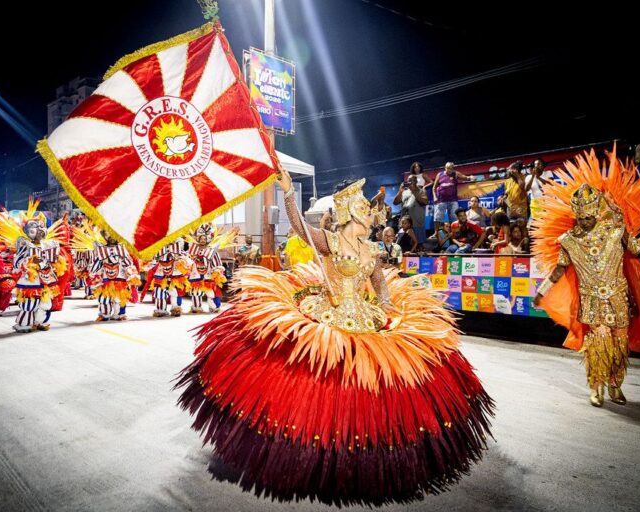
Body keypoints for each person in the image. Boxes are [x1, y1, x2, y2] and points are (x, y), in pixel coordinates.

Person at [176, 169, 493, 504]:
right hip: (328, 310)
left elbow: (381, 286)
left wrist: (387, 307)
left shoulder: (371, 249)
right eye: (365, 209)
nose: (371, 214)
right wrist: (287, 193)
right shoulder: (329, 241)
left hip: (365, 315)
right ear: (351, 214)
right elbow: (299, 228)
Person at [532, 150, 640, 407]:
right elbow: (558, 270)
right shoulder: (569, 240)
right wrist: (542, 291)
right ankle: (596, 387)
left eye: (589, 215)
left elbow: (638, 248)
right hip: (591, 298)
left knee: (620, 341)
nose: (585, 221)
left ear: (597, 211)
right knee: (597, 341)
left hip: (618, 295)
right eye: (581, 217)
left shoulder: (617, 230)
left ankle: (615, 385)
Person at [0, 200, 67, 333]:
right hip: (30, 281)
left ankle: (39, 322)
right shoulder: (24, 245)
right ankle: (24, 324)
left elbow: (55, 262)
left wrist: (55, 262)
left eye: (41, 226)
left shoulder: (49, 245)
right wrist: (30, 262)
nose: (39, 229)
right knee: (29, 305)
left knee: (45, 304)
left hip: (46, 280)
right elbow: (17, 264)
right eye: (35, 227)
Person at [90, 233, 141, 321]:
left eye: (113, 235)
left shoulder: (122, 249)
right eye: (109, 235)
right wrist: (94, 273)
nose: (112, 238)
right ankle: (105, 314)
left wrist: (132, 274)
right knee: (103, 299)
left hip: (120, 278)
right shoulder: (102, 250)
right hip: (106, 279)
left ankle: (120, 314)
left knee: (119, 299)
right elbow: (97, 264)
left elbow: (128, 263)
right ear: (105, 236)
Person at [393, 174, 428, 246]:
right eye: (408, 181)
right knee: (404, 243)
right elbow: (395, 202)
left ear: (415, 181)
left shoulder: (421, 191)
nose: (409, 182)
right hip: (405, 223)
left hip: (417, 223)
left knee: (418, 244)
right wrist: (400, 191)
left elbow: (425, 202)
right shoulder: (405, 191)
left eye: (411, 180)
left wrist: (414, 192)